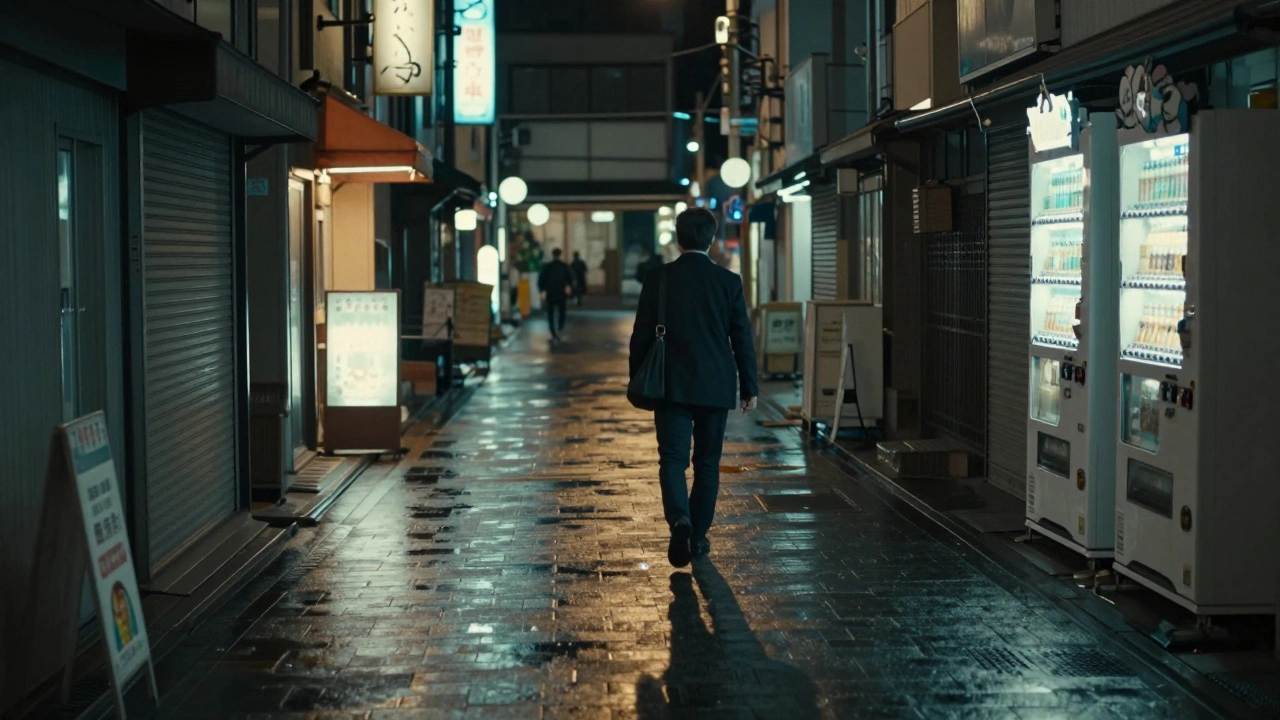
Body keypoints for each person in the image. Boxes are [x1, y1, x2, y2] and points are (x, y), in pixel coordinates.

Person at [629, 208, 758, 568]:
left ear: (677, 237)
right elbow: (741, 338)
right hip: (716, 385)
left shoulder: (659, 279)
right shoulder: (728, 282)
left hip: (670, 385)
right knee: (707, 463)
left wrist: (638, 380)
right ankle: (698, 535)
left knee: (671, 459)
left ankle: (679, 520)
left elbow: (640, 336)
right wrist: (749, 385)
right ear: (712, 240)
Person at [538, 248, 574, 341]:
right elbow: (570, 279)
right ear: (560, 254)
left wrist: (542, 290)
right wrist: (569, 287)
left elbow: (542, 279)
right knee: (562, 311)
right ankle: (560, 327)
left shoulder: (547, 266)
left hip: (551, 292)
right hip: (561, 292)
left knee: (550, 312)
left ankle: (552, 330)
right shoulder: (564, 266)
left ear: (552, 255)